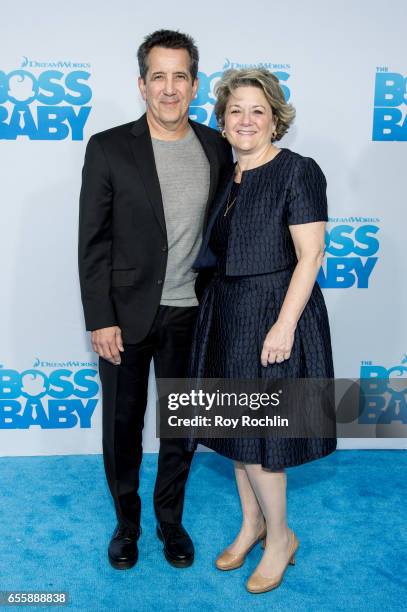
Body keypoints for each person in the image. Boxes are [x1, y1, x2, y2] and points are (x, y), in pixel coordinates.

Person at [78, 29, 232, 570]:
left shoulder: (217, 146)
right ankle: (127, 522)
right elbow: (93, 242)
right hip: (124, 315)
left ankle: (170, 521)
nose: (170, 89)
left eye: (180, 77)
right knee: (122, 424)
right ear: (142, 84)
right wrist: (100, 317)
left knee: (181, 426)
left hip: (192, 312)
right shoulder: (108, 147)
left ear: (194, 85)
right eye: (159, 77)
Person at [187, 68, 337, 593]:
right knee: (234, 434)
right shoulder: (229, 173)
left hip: (274, 313)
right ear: (223, 122)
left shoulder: (297, 170)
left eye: (257, 110)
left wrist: (284, 326)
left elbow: (311, 254)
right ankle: (251, 526)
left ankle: (281, 539)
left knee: (261, 442)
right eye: (235, 111)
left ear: (275, 119)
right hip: (228, 313)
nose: (245, 120)